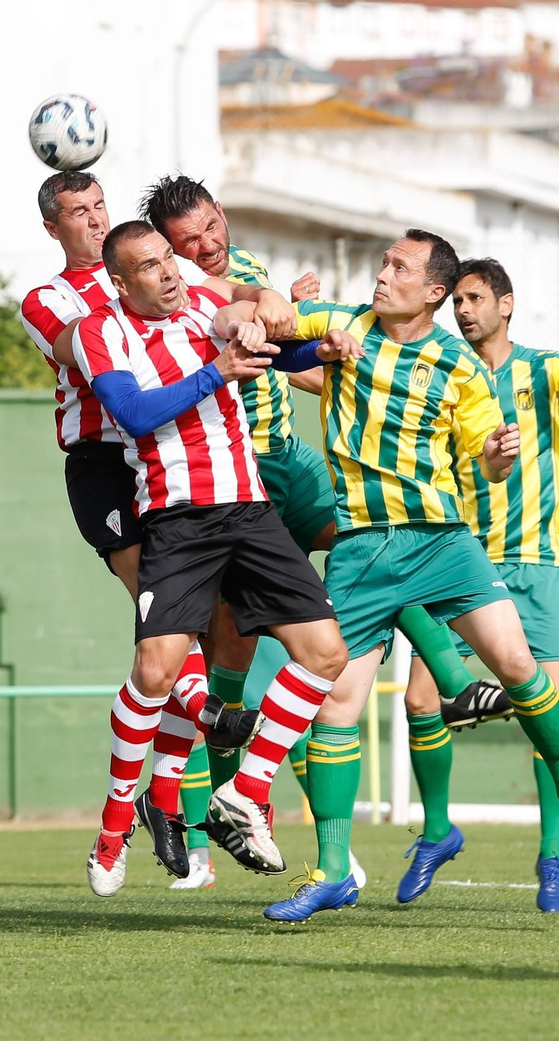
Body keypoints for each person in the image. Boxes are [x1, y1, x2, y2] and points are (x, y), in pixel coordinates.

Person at [141, 175, 507, 889]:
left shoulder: (243, 265)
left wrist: (302, 323)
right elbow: (256, 321)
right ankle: (243, 817)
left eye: (213, 227)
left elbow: (281, 335)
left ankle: (456, 683)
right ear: (168, 248)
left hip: (287, 459)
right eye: (190, 240)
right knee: (235, 653)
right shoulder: (173, 290)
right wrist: (280, 310)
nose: (208, 245)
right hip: (228, 484)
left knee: (366, 540)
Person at [261, 231, 559, 924]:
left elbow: (487, 452)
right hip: (361, 550)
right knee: (336, 706)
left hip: (443, 543)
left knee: (516, 664)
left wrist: (499, 452)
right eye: (384, 261)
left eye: (399, 268)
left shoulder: (457, 364)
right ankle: (332, 870)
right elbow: (272, 315)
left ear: (433, 293)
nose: (383, 274)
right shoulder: (344, 324)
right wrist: (269, 305)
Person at [24, 175, 294, 879]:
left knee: (228, 625)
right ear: (55, 229)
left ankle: (167, 794)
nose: (91, 219)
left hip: (187, 455)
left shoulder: (166, 274)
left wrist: (268, 301)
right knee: (166, 630)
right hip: (108, 460)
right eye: (76, 214)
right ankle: (203, 726)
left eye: (99, 208)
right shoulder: (53, 301)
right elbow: (82, 351)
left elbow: (251, 306)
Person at [72, 220, 348, 896]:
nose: (168, 271)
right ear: (119, 280)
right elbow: (134, 412)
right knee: (156, 671)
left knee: (325, 655)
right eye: (149, 265)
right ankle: (112, 833)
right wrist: (215, 369)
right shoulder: (98, 332)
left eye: (169, 258)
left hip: (250, 511)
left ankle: (245, 791)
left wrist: (318, 347)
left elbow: (272, 358)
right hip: (177, 518)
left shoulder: (201, 304)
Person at [399, 260, 559, 913]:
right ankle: (437, 830)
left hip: (538, 562)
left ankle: (554, 858)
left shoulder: (548, 368)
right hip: (463, 561)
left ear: (507, 304)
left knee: (548, 715)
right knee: (421, 701)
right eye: (460, 300)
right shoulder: (443, 374)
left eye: (476, 298)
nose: (464, 310)